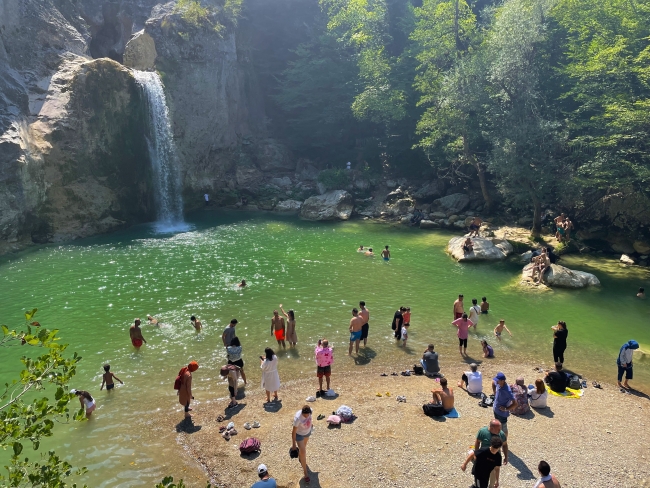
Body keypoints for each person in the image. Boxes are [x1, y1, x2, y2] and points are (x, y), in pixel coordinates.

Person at [472, 419, 509, 488]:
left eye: (500, 429)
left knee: (493, 474)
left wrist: (506, 457)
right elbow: (477, 442)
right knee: (480, 473)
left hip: (494, 458)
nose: (500, 431)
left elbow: (505, 445)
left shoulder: (501, 434)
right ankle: (477, 484)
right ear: (491, 428)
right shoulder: (483, 432)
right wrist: (476, 454)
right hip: (484, 457)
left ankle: (491, 486)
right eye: (498, 429)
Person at [292, 405, 313, 483]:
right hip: (299, 434)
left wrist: (311, 425)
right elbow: (293, 432)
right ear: (302, 413)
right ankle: (305, 472)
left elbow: (310, 419)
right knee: (303, 451)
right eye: (305, 415)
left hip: (307, 433)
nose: (307, 416)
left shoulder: (310, 411)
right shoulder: (297, 419)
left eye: (308, 415)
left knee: (302, 450)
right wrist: (293, 445)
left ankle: (301, 458)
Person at [492, 372, 517, 437]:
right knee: (497, 425)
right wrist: (494, 392)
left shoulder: (507, 390)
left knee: (504, 428)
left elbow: (515, 404)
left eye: (498, 380)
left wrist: (506, 409)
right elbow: (493, 382)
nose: (496, 381)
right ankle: (498, 436)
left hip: (502, 414)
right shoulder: (498, 384)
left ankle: (504, 441)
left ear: (502, 381)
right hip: (496, 410)